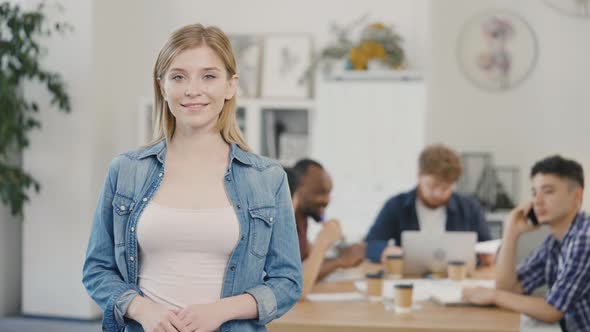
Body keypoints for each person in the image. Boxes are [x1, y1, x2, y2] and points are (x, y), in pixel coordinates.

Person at [82, 23, 302, 332]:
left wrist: (222, 311)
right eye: (178, 76)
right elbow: (97, 269)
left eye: (209, 76)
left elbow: (288, 282)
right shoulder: (126, 170)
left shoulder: (267, 178)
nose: (192, 90)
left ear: (231, 85)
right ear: (162, 86)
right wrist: (141, 308)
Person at [463, 155, 590, 332]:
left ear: (577, 196)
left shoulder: (585, 238)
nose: (537, 201)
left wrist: (493, 295)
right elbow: (509, 289)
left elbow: (552, 310)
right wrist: (511, 232)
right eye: (534, 192)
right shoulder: (554, 242)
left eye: (548, 191)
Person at [365, 144, 493, 265]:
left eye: (445, 188)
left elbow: (486, 245)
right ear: (419, 175)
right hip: (410, 281)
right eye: (433, 185)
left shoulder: (470, 208)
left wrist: (487, 255)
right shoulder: (396, 205)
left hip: (458, 279)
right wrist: (384, 251)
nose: (438, 194)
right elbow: (370, 244)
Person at [286, 159, 365, 297]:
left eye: (328, 193)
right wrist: (323, 243)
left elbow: (306, 267)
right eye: (319, 192)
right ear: (297, 191)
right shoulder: (282, 223)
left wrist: (340, 257)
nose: (326, 200)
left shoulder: (302, 221)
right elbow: (293, 287)